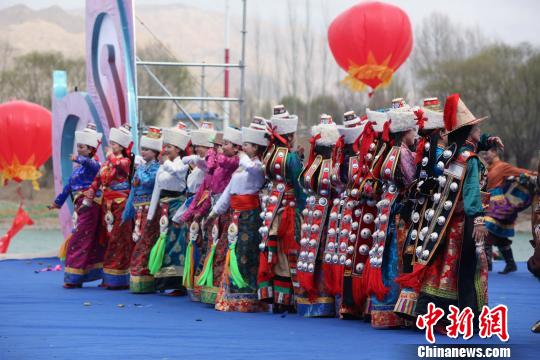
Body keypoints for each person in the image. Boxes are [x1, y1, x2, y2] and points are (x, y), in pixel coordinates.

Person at [405, 94, 489, 332]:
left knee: (442, 268)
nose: (479, 131)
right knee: (468, 268)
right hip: (464, 223)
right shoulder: (469, 160)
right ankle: (466, 318)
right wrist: (480, 220)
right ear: (469, 132)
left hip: (444, 225)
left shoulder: (449, 154)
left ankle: (431, 314)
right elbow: (472, 191)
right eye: (477, 128)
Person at [365, 102, 417, 329]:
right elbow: (412, 182)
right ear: (405, 132)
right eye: (413, 131)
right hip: (399, 213)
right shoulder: (404, 154)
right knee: (397, 258)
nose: (415, 135)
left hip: (386, 210)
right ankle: (396, 310)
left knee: (385, 258)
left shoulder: (387, 153)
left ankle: (382, 308)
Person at [208, 118, 269, 312]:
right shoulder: (243, 167)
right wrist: (216, 210)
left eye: (248, 145)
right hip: (236, 215)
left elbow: (254, 171)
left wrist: (242, 157)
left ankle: (247, 295)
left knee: (246, 253)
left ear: (257, 148)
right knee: (232, 250)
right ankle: (231, 294)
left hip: (250, 216)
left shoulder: (258, 167)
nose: (244, 147)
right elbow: (229, 190)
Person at [257, 105, 306, 313]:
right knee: (289, 252)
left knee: (274, 252)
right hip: (288, 208)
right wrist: (304, 210)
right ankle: (287, 298)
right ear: (290, 134)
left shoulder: (269, 154)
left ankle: (276, 296)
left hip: (272, 207)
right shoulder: (291, 158)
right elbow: (299, 186)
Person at [296, 114, 341, 317]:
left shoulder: (327, 165)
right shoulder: (318, 164)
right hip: (315, 215)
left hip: (328, 217)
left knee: (323, 254)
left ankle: (324, 299)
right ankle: (313, 297)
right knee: (312, 254)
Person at [49, 123, 104, 288]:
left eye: (81, 147)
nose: (78, 150)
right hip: (80, 207)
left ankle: (74, 278)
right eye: (78, 147)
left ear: (90, 149)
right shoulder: (77, 170)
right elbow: (68, 187)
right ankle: (83, 276)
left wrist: (79, 158)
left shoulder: (94, 165)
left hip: (90, 206)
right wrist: (57, 202)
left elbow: (93, 165)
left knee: (79, 239)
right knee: (85, 239)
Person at [84, 123, 135, 290]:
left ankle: (119, 278)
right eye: (111, 143)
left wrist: (111, 157)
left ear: (121, 146)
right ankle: (108, 277)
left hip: (121, 203)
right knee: (108, 238)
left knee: (119, 239)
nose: (110, 146)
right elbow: (98, 178)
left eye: (113, 144)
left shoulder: (126, 161)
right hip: (107, 205)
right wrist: (91, 192)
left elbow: (121, 168)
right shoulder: (107, 162)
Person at [196, 126, 241, 305]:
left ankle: (221, 288)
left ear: (237, 147)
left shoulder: (235, 161)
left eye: (224, 144)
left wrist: (214, 151)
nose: (220, 148)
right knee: (213, 247)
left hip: (230, 213)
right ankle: (210, 288)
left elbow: (220, 161)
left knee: (223, 249)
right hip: (218, 210)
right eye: (218, 145)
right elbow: (210, 173)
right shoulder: (220, 163)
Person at [174, 122, 217, 300]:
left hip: (204, 206)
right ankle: (191, 283)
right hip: (193, 202)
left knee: (202, 242)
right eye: (197, 145)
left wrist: (198, 210)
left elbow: (207, 187)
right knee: (191, 242)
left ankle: (200, 283)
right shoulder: (195, 165)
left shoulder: (209, 165)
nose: (199, 149)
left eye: (203, 146)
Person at [147, 122, 191, 294]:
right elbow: (157, 190)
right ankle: (162, 280)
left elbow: (178, 173)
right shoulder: (163, 166)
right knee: (164, 241)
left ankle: (177, 283)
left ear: (179, 150)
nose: (166, 150)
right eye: (165, 146)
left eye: (170, 147)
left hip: (177, 205)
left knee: (176, 242)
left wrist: (165, 163)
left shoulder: (183, 163)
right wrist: (151, 215)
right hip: (163, 206)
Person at [483, 146, 537, 274]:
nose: (485, 156)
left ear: (495, 152)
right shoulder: (487, 167)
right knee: (497, 236)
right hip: (488, 202)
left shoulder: (502, 166)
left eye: (487, 153)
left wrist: (536, 174)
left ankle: (487, 264)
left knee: (487, 228)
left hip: (498, 205)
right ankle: (508, 264)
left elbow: (521, 172)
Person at [123, 127, 162, 293]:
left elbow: (149, 182)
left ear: (155, 152)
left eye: (146, 149)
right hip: (138, 209)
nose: (143, 152)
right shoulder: (141, 168)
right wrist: (128, 210)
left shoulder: (157, 168)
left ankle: (144, 275)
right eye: (142, 149)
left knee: (146, 241)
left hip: (151, 209)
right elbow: (133, 190)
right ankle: (138, 275)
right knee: (138, 240)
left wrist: (140, 173)